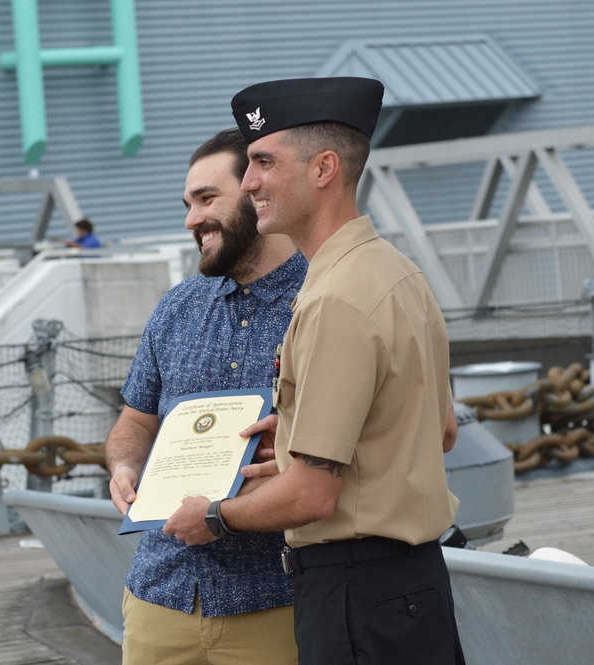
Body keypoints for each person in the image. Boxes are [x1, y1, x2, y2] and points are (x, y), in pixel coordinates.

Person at [164, 78, 465, 664]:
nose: (248, 182)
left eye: (262, 162)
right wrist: (301, 438)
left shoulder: (333, 298)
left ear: (324, 168)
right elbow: (442, 430)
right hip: (411, 589)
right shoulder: (395, 271)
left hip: (356, 595)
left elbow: (312, 497)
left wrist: (213, 517)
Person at [105, 127, 306, 665]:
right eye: (188, 203)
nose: (191, 219)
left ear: (258, 189)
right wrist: (124, 465)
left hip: (275, 601)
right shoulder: (176, 307)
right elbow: (135, 420)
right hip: (159, 596)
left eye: (206, 199)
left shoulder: (321, 300)